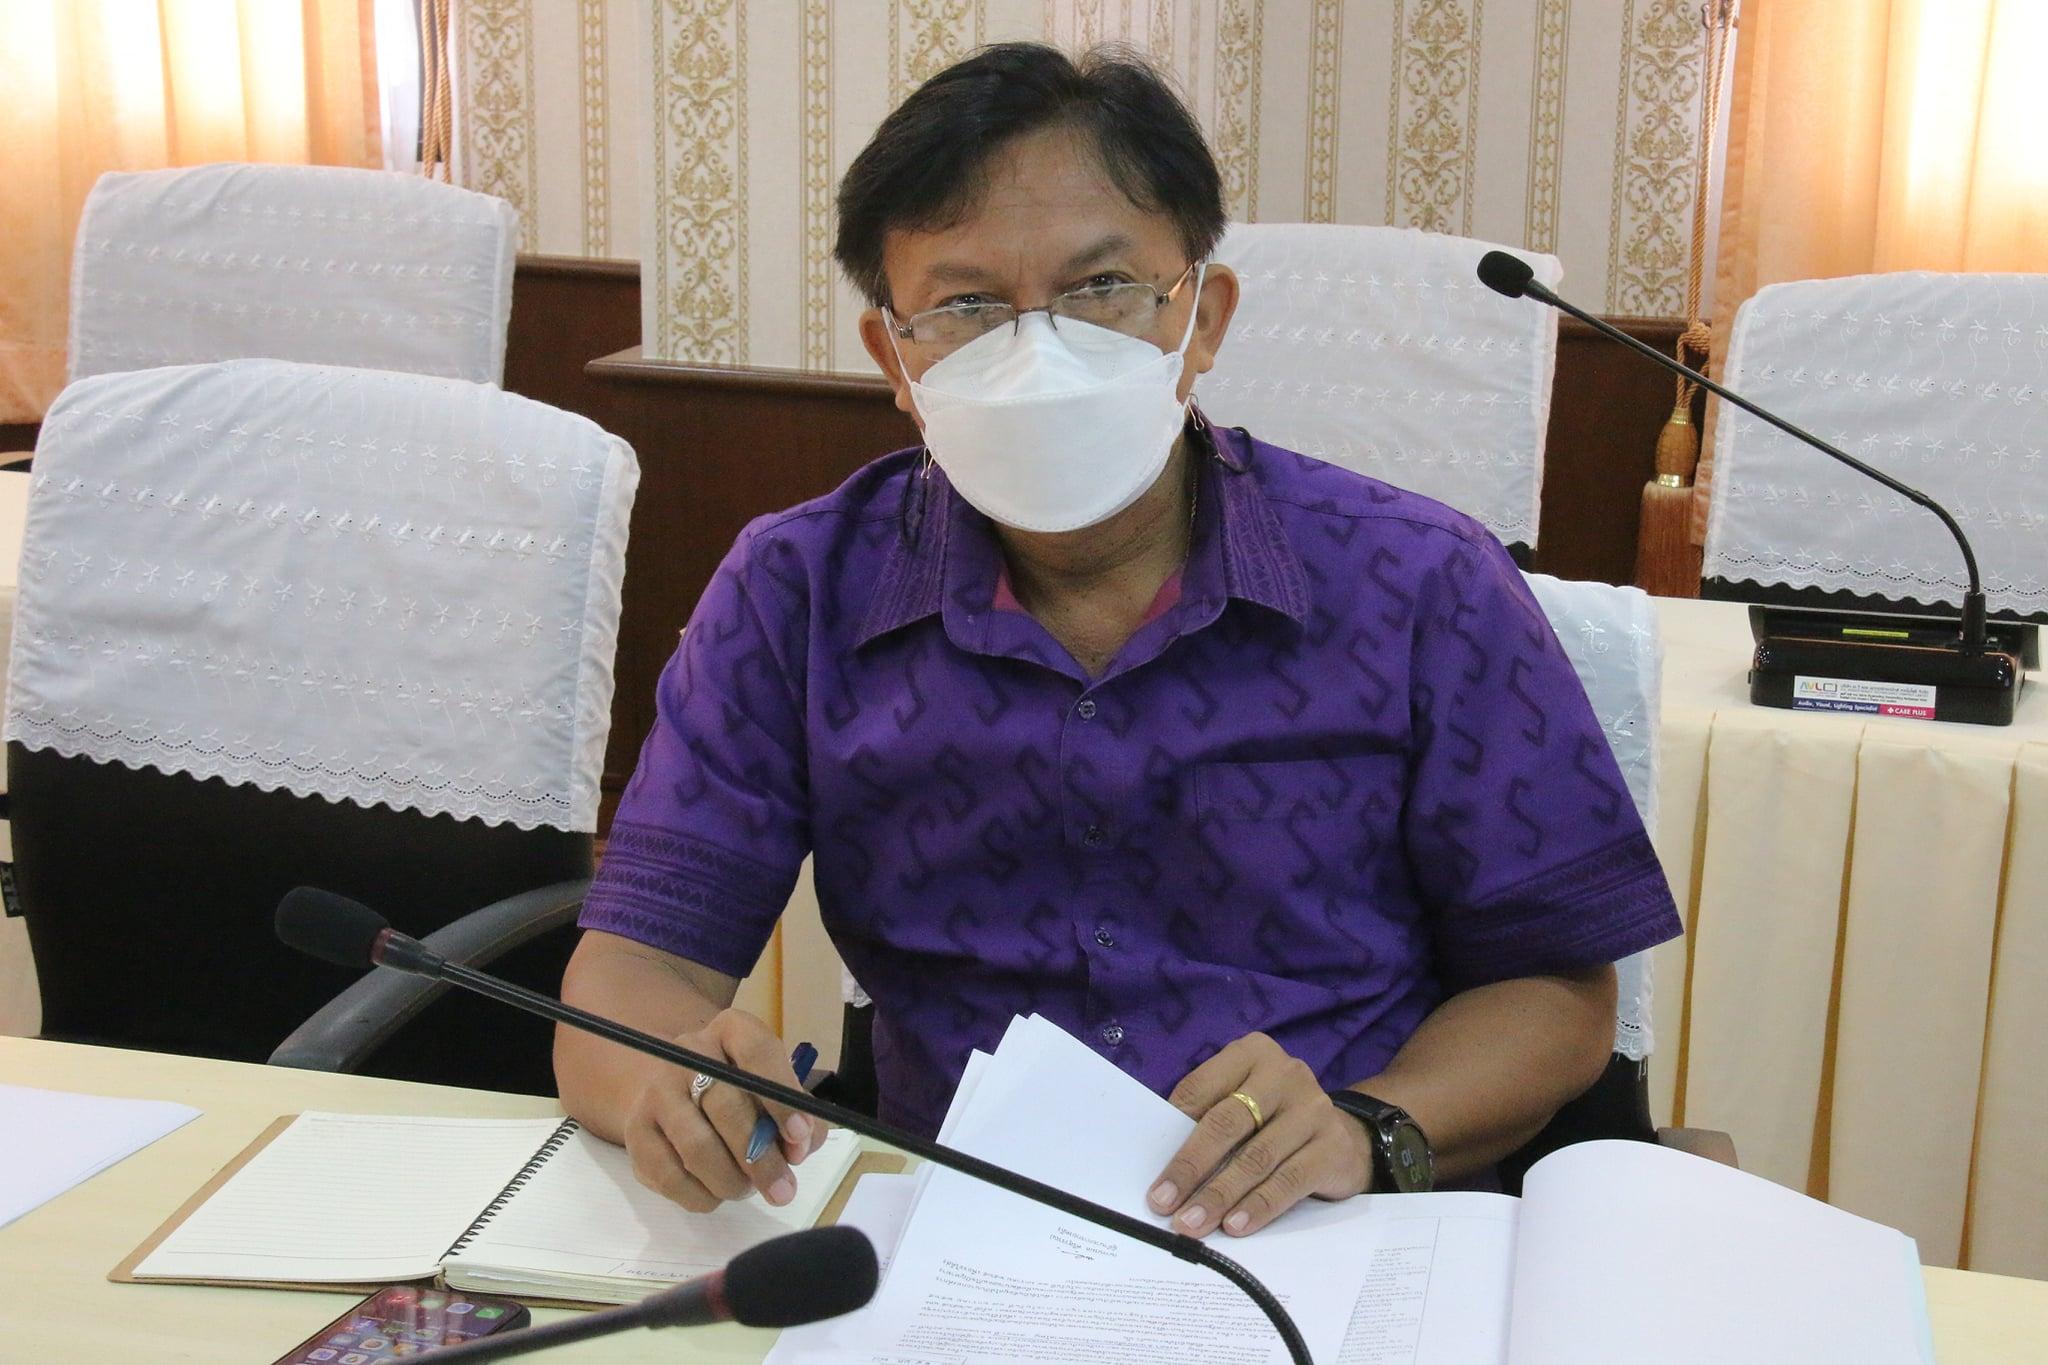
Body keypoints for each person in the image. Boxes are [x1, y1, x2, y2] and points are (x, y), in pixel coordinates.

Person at [556, 43, 1681, 1241]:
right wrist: (669, 1084)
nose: (1036, 350)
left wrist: (1371, 1126)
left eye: (1099, 288)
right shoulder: (800, 588)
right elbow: (635, 975)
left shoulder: (1419, 581)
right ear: (894, 357)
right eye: (966, 306)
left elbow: (1554, 987)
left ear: (1200, 319)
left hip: (1327, 1235)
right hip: (958, 1233)